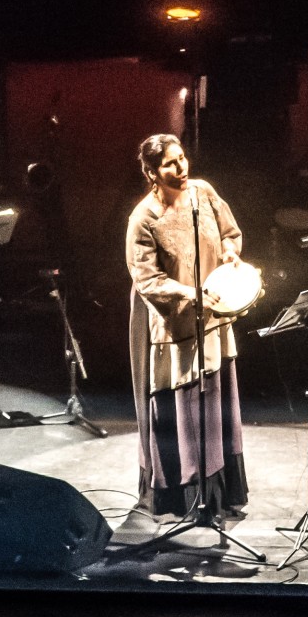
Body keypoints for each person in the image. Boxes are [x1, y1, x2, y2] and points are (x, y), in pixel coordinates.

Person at [125, 134, 249, 519]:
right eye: (169, 164)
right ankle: (186, 497)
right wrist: (191, 293)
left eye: (182, 160)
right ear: (151, 172)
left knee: (215, 404)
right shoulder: (143, 219)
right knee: (186, 406)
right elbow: (146, 279)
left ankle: (220, 493)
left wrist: (230, 250)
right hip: (173, 321)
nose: (181, 169)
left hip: (213, 314)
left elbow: (230, 232)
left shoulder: (203, 194)